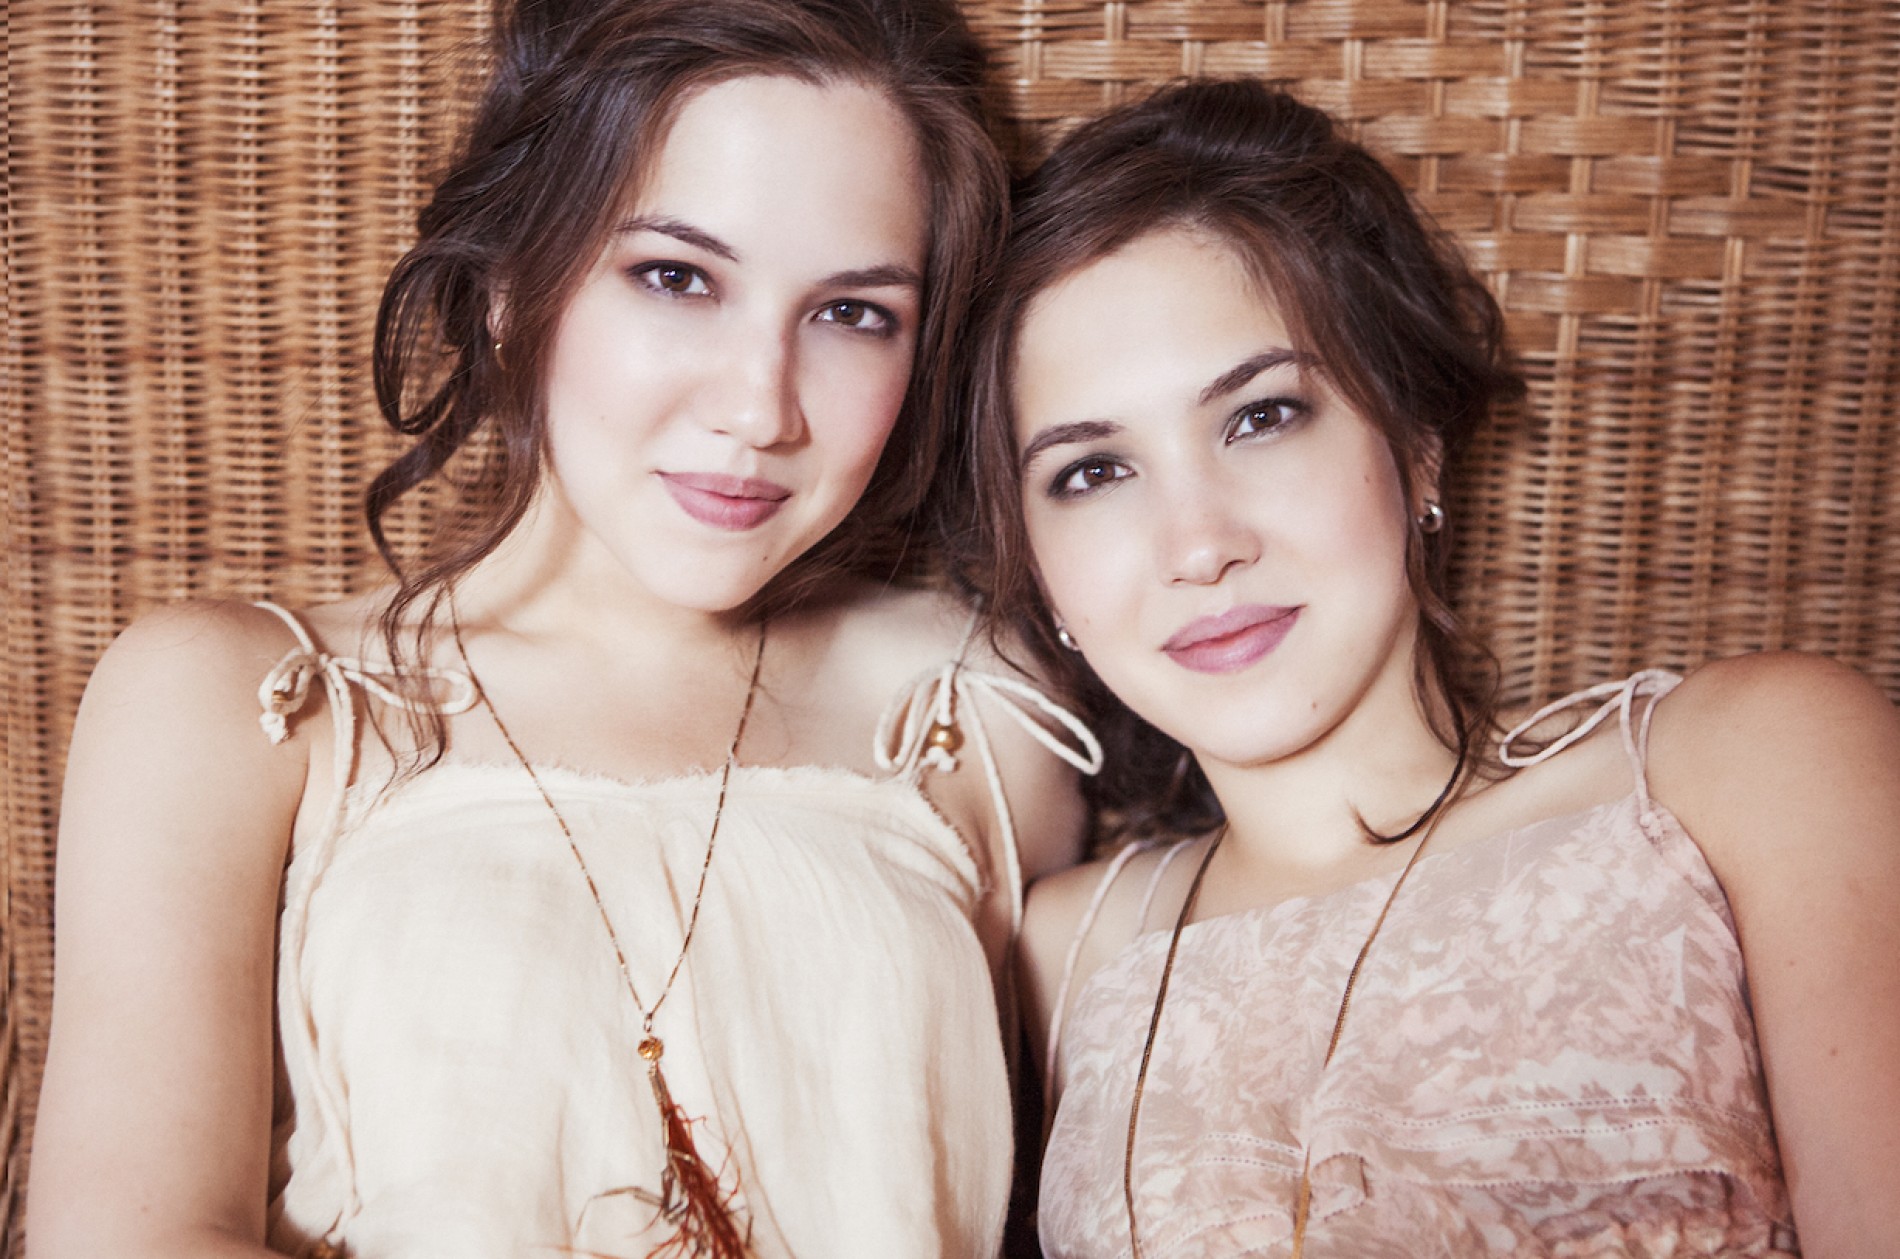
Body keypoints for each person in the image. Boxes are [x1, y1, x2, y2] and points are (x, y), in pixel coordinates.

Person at [26, 3, 1094, 1256]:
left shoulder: (976, 715)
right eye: (677, 277)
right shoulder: (248, 704)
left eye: (853, 312)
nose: (760, 407)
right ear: (505, 288)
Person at [956, 79, 1900, 1258]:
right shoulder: (1060, 951)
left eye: (1260, 416)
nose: (1198, 545)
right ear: (1038, 574)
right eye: (1091, 473)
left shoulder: (1744, 764)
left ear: (1412, 446)